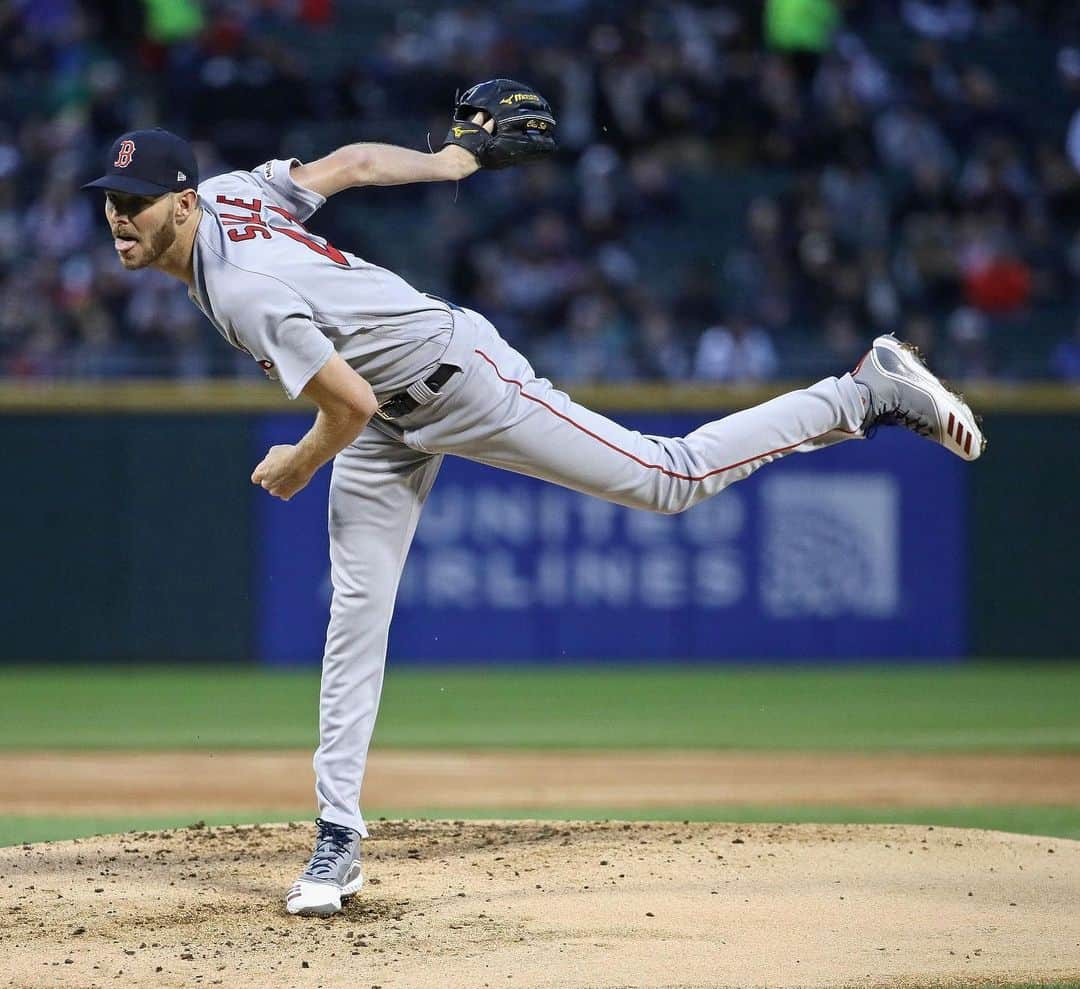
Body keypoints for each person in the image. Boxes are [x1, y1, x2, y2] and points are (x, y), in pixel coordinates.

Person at [82, 87, 985, 916]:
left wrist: (301, 463)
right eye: (112, 201)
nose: (120, 217)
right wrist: (449, 163)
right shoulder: (237, 195)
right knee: (356, 611)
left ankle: (863, 389)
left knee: (666, 476)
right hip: (391, 415)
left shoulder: (239, 290)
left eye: (139, 201)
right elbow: (347, 167)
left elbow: (344, 405)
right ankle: (339, 835)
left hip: (455, 380)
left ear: (186, 199)